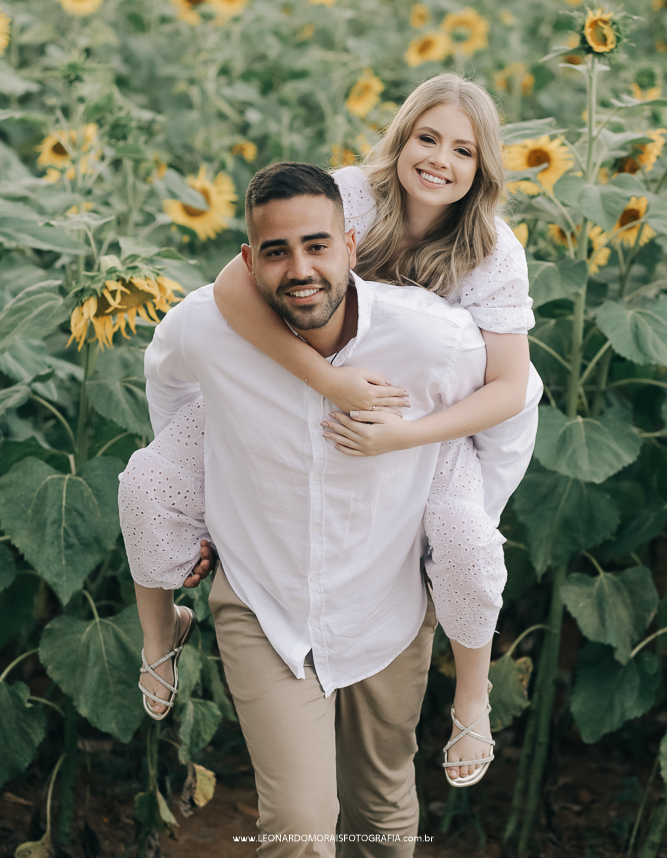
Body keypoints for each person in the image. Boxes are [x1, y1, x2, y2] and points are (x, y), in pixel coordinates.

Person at [119, 160, 533, 855]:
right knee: (298, 828)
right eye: (276, 253)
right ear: (248, 261)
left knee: (382, 813)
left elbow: (508, 405)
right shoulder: (209, 326)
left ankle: (473, 697)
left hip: (385, 602)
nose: (299, 269)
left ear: (349, 245)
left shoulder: (431, 340)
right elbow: (168, 381)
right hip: (265, 605)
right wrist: (203, 492)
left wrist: (457, 500)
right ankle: (161, 635)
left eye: (316, 246)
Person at [211, 73, 541, 782]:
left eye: (463, 150)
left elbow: (508, 387)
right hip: (323, 385)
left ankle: (472, 698)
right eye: (427, 138)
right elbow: (232, 287)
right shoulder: (351, 194)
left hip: (436, 425)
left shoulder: (492, 248)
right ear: (401, 138)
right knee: (204, 460)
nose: (440, 160)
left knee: (463, 539)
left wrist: (403, 437)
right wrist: (328, 381)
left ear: (481, 167)